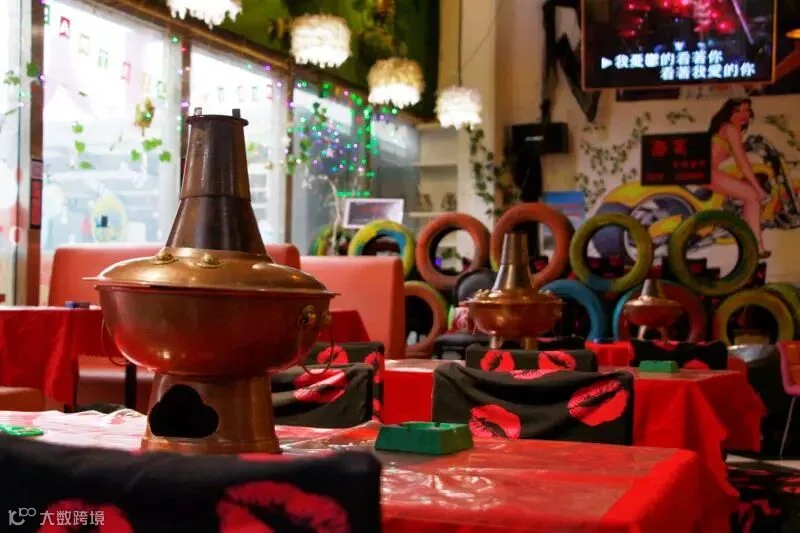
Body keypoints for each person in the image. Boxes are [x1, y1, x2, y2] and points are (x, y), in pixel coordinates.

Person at [708, 98, 771, 258]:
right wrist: (759, 189)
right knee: (753, 196)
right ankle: (755, 247)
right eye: (738, 111)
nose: (743, 115)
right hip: (708, 173)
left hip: (706, 172)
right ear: (729, 113)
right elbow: (743, 164)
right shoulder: (730, 129)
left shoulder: (728, 129)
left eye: (747, 110)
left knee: (748, 192)